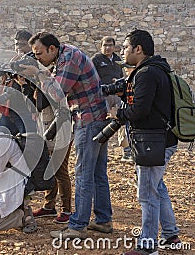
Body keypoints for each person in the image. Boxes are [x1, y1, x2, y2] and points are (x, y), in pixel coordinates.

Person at [22, 32, 112, 239]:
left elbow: (56, 94)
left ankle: (78, 225)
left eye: (39, 54)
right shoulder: (65, 56)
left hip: (88, 119)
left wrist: (37, 73)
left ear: (52, 49)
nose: (38, 58)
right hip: (94, 117)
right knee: (97, 172)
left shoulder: (69, 58)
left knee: (83, 173)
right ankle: (103, 220)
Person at [114, 29, 180, 255]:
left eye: (124, 47)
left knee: (147, 193)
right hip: (161, 139)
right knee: (157, 187)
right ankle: (170, 234)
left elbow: (139, 110)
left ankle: (148, 246)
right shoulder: (156, 69)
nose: (121, 51)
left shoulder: (147, 73)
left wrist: (118, 114)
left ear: (137, 49)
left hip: (153, 141)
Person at [91, 36, 133, 163]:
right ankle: (100, 151)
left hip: (118, 95)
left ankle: (126, 151)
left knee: (122, 120)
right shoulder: (96, 60)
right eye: (105, 45)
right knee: (102, 121)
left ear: (114, 47)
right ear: (101, 46)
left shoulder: (118, 60)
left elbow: (122, 75)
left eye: (110, 45)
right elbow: (92, 77)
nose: (108, 47)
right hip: (102, 95)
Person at [0, 29, 37, 135]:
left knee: (28, 142)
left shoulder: (34, 62)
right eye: (16, 44)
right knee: (2, 138)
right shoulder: (13, 61)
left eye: (23, 44)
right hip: (9, 110)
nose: (19, 48)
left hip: (26, 111)